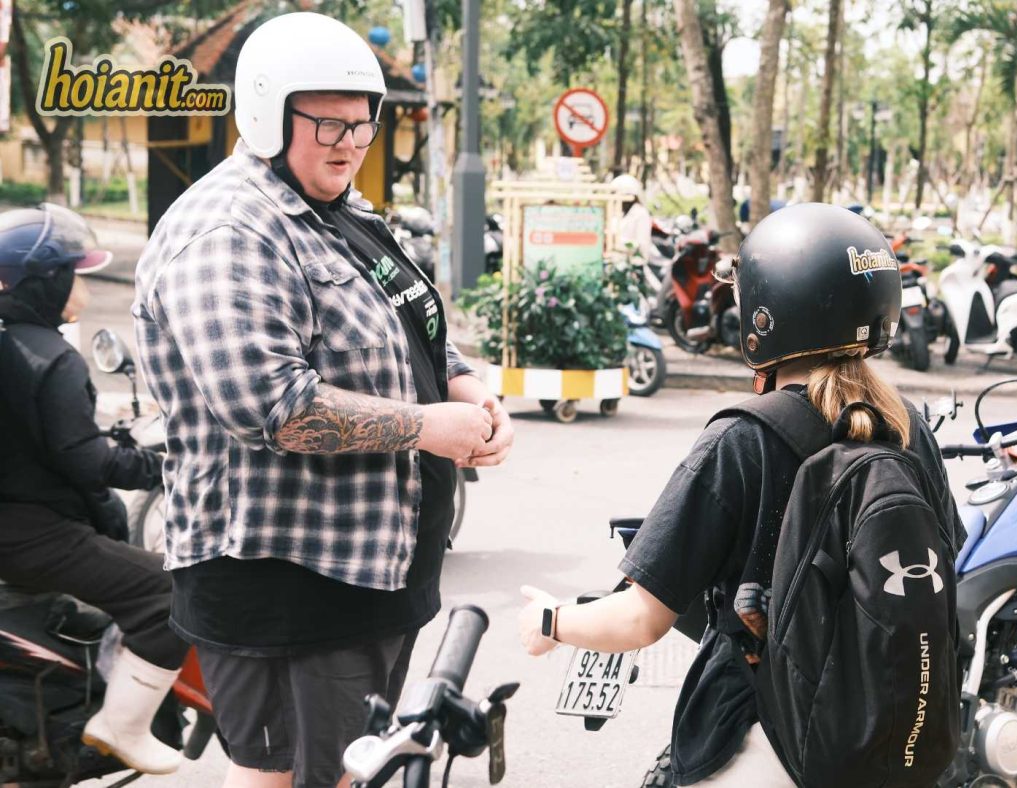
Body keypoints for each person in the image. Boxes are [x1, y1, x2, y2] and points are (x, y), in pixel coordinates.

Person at [131, 13, 513, 788]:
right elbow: (271, 406)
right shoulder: (230, 229)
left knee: (347, 771)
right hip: (288, 585)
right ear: (270, 113)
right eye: (329, 123)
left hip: (369, 576)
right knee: (290, 778)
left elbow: (408, 326)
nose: (349, 142)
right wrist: (427, 426)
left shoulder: (341, 211)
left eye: (363, 124)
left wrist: (466, 383)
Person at [516, 204, 962, 785]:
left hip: (766, 742)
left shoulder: (740, 439)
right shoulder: (909, 426)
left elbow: (640, 619)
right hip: (890, 737)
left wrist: (550, 622)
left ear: (767, 315)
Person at [0, 203, 189, 774]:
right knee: (170, 595)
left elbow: (42, 441)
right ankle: (122, 724)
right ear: (47, 281)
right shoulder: (53, 358)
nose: (81, 285)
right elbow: (84, 461)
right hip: (35, 531)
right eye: (73, 274)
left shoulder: (13, 344)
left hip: (15, 522)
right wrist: (160, 468)